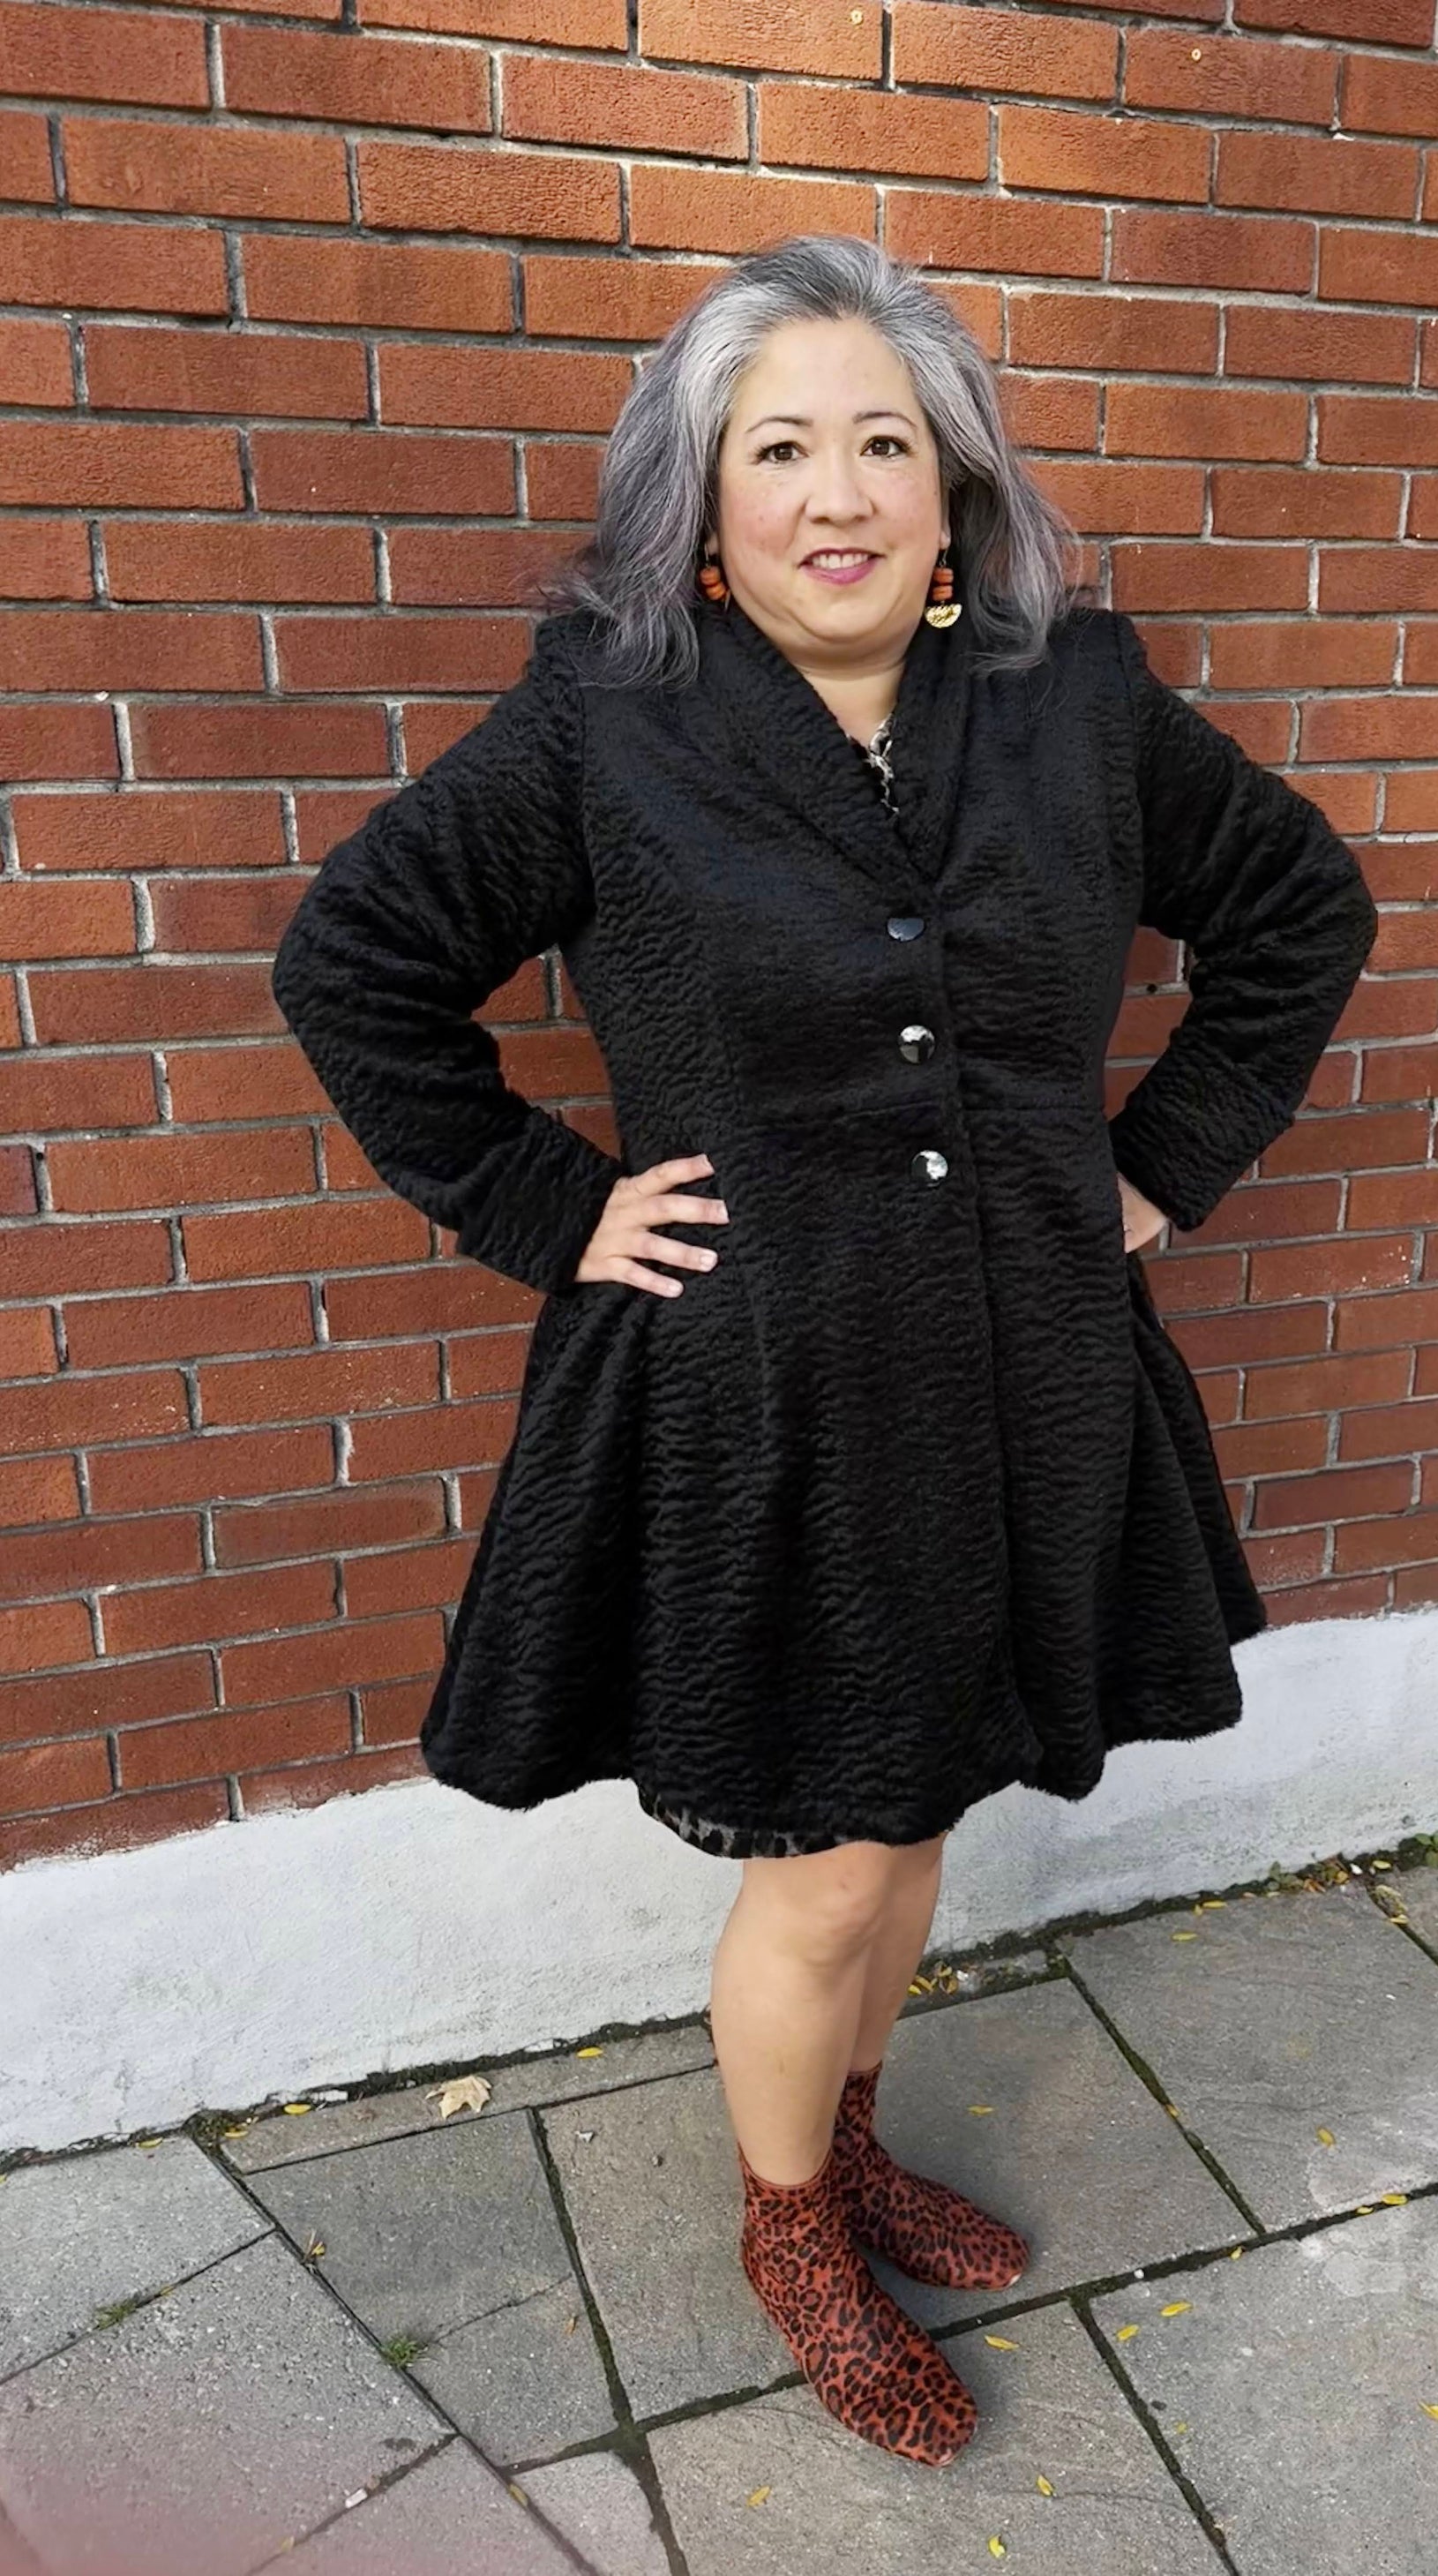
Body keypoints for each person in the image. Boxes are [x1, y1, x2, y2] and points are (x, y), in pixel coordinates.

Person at [271, 232, 1378, 2470]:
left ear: (957, 496)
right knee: (833, 1846)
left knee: (928, 1787)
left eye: (888, 440)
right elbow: (357, 957)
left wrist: (1159, 1159)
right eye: (780, 446)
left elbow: (1296, 905)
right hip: (766, 1390)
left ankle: (851, 2136)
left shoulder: (1075, 701)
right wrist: (543, 1204)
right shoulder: (608, 721)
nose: (839, 490)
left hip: (1029, 1367)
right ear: (701, 505)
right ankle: (792, 2224)